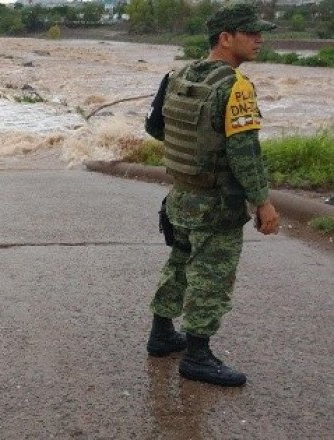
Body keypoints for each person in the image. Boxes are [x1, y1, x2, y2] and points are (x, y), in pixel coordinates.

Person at [144, 2, 279, 387]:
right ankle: (198, 357)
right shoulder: (235, 86)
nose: (259, 39)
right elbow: (245, 152)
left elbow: (156, 128)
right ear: (225, 38)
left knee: (179, 264)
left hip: (181, 196)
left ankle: (162, 335)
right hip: (217, 203)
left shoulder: (177, 74)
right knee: (211, 276)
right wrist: (263, 203)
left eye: (259, 32)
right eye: (250, 32)